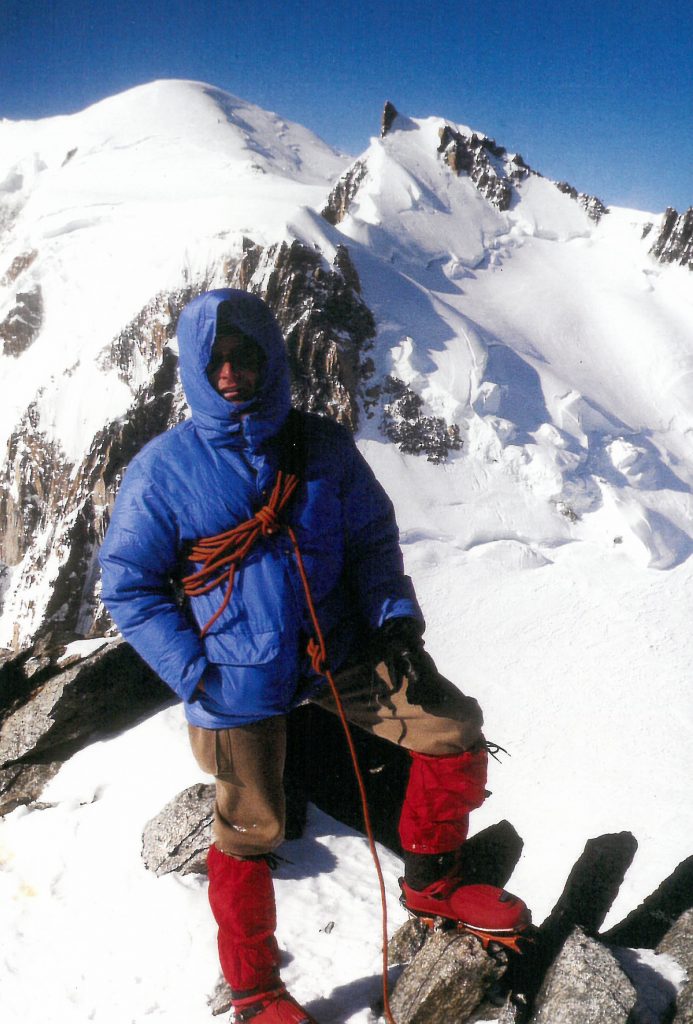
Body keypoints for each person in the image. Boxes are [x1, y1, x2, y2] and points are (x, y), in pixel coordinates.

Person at [99, 289, 528, 1024]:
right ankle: (256, 990)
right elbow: (129, 584)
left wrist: (395, 623)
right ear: (194, 371)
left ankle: (432, 881)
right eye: (215, 360)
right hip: (237, 673)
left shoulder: (322, 447)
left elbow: (368, 544)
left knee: (450, 729)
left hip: (343, 650)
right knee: (249, 828)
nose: (231, 372)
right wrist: (195, 671)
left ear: (271, 357)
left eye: (244, 355)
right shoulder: (163, 470)